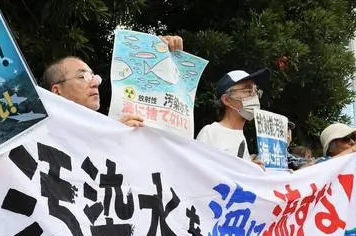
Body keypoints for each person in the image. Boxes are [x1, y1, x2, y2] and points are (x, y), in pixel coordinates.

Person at [42, 36, 184, 128]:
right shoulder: (41, 133)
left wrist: (161, 55)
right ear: (57, 90)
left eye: (93, 77)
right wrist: (112, 138)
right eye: (82, 77)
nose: (95, 83)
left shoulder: (115, 126)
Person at [196, 69, 269, 167]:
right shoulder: (210, 132)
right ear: (226, 100)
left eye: (256, 91)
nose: (254, 96)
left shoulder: (241, 137)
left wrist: (250, 167)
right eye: (248, 90)